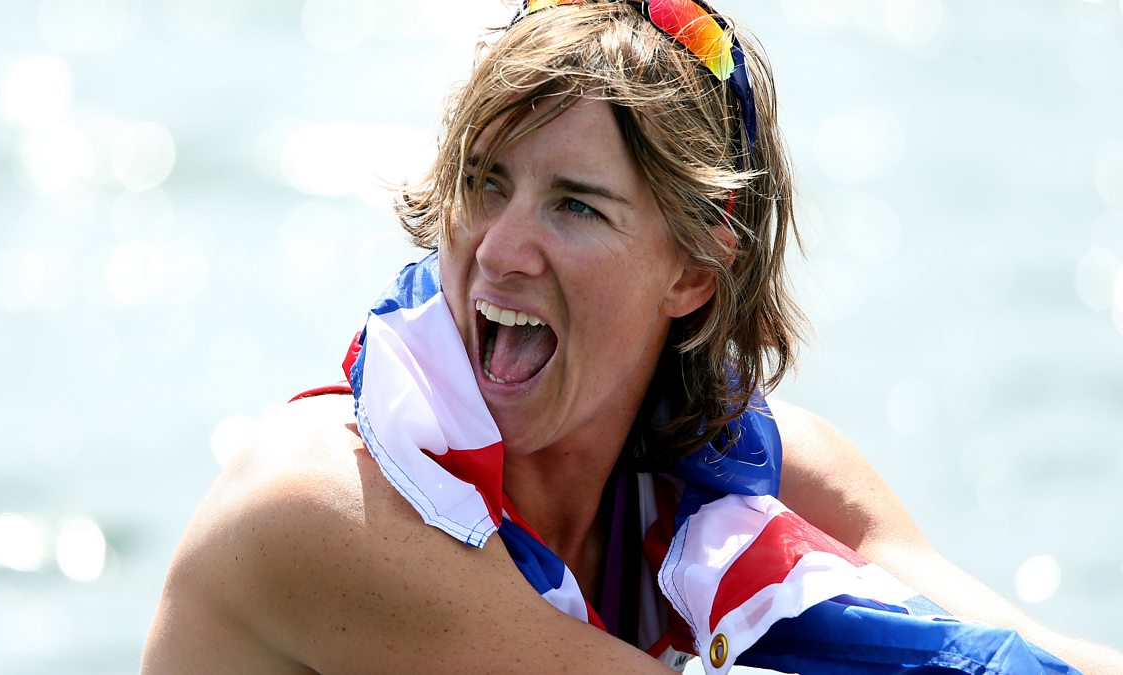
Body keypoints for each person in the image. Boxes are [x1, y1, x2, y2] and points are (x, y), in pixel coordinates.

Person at [141, 1, 1123, 672]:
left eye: (574, 205)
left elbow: (1022, 651)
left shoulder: (771, 469)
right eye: (485, 182)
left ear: (693, 272)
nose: (500, 250)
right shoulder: (324, 505)